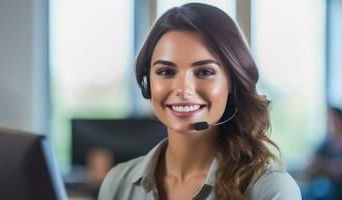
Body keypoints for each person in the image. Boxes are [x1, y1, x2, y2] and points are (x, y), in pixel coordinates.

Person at [98, 3, 301, 200]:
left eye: (204, 72)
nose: (183, 89)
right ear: (147, 84)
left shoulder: (270, 189)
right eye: (166, 72)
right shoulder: (117, 183)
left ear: (232, 83)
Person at [301, 107, 342, 199]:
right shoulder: (326, 143)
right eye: (329, 120)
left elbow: (336, 170)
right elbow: (312, 161)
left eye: (334, 120)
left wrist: (322, 165)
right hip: (322, 183)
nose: (331, 123)